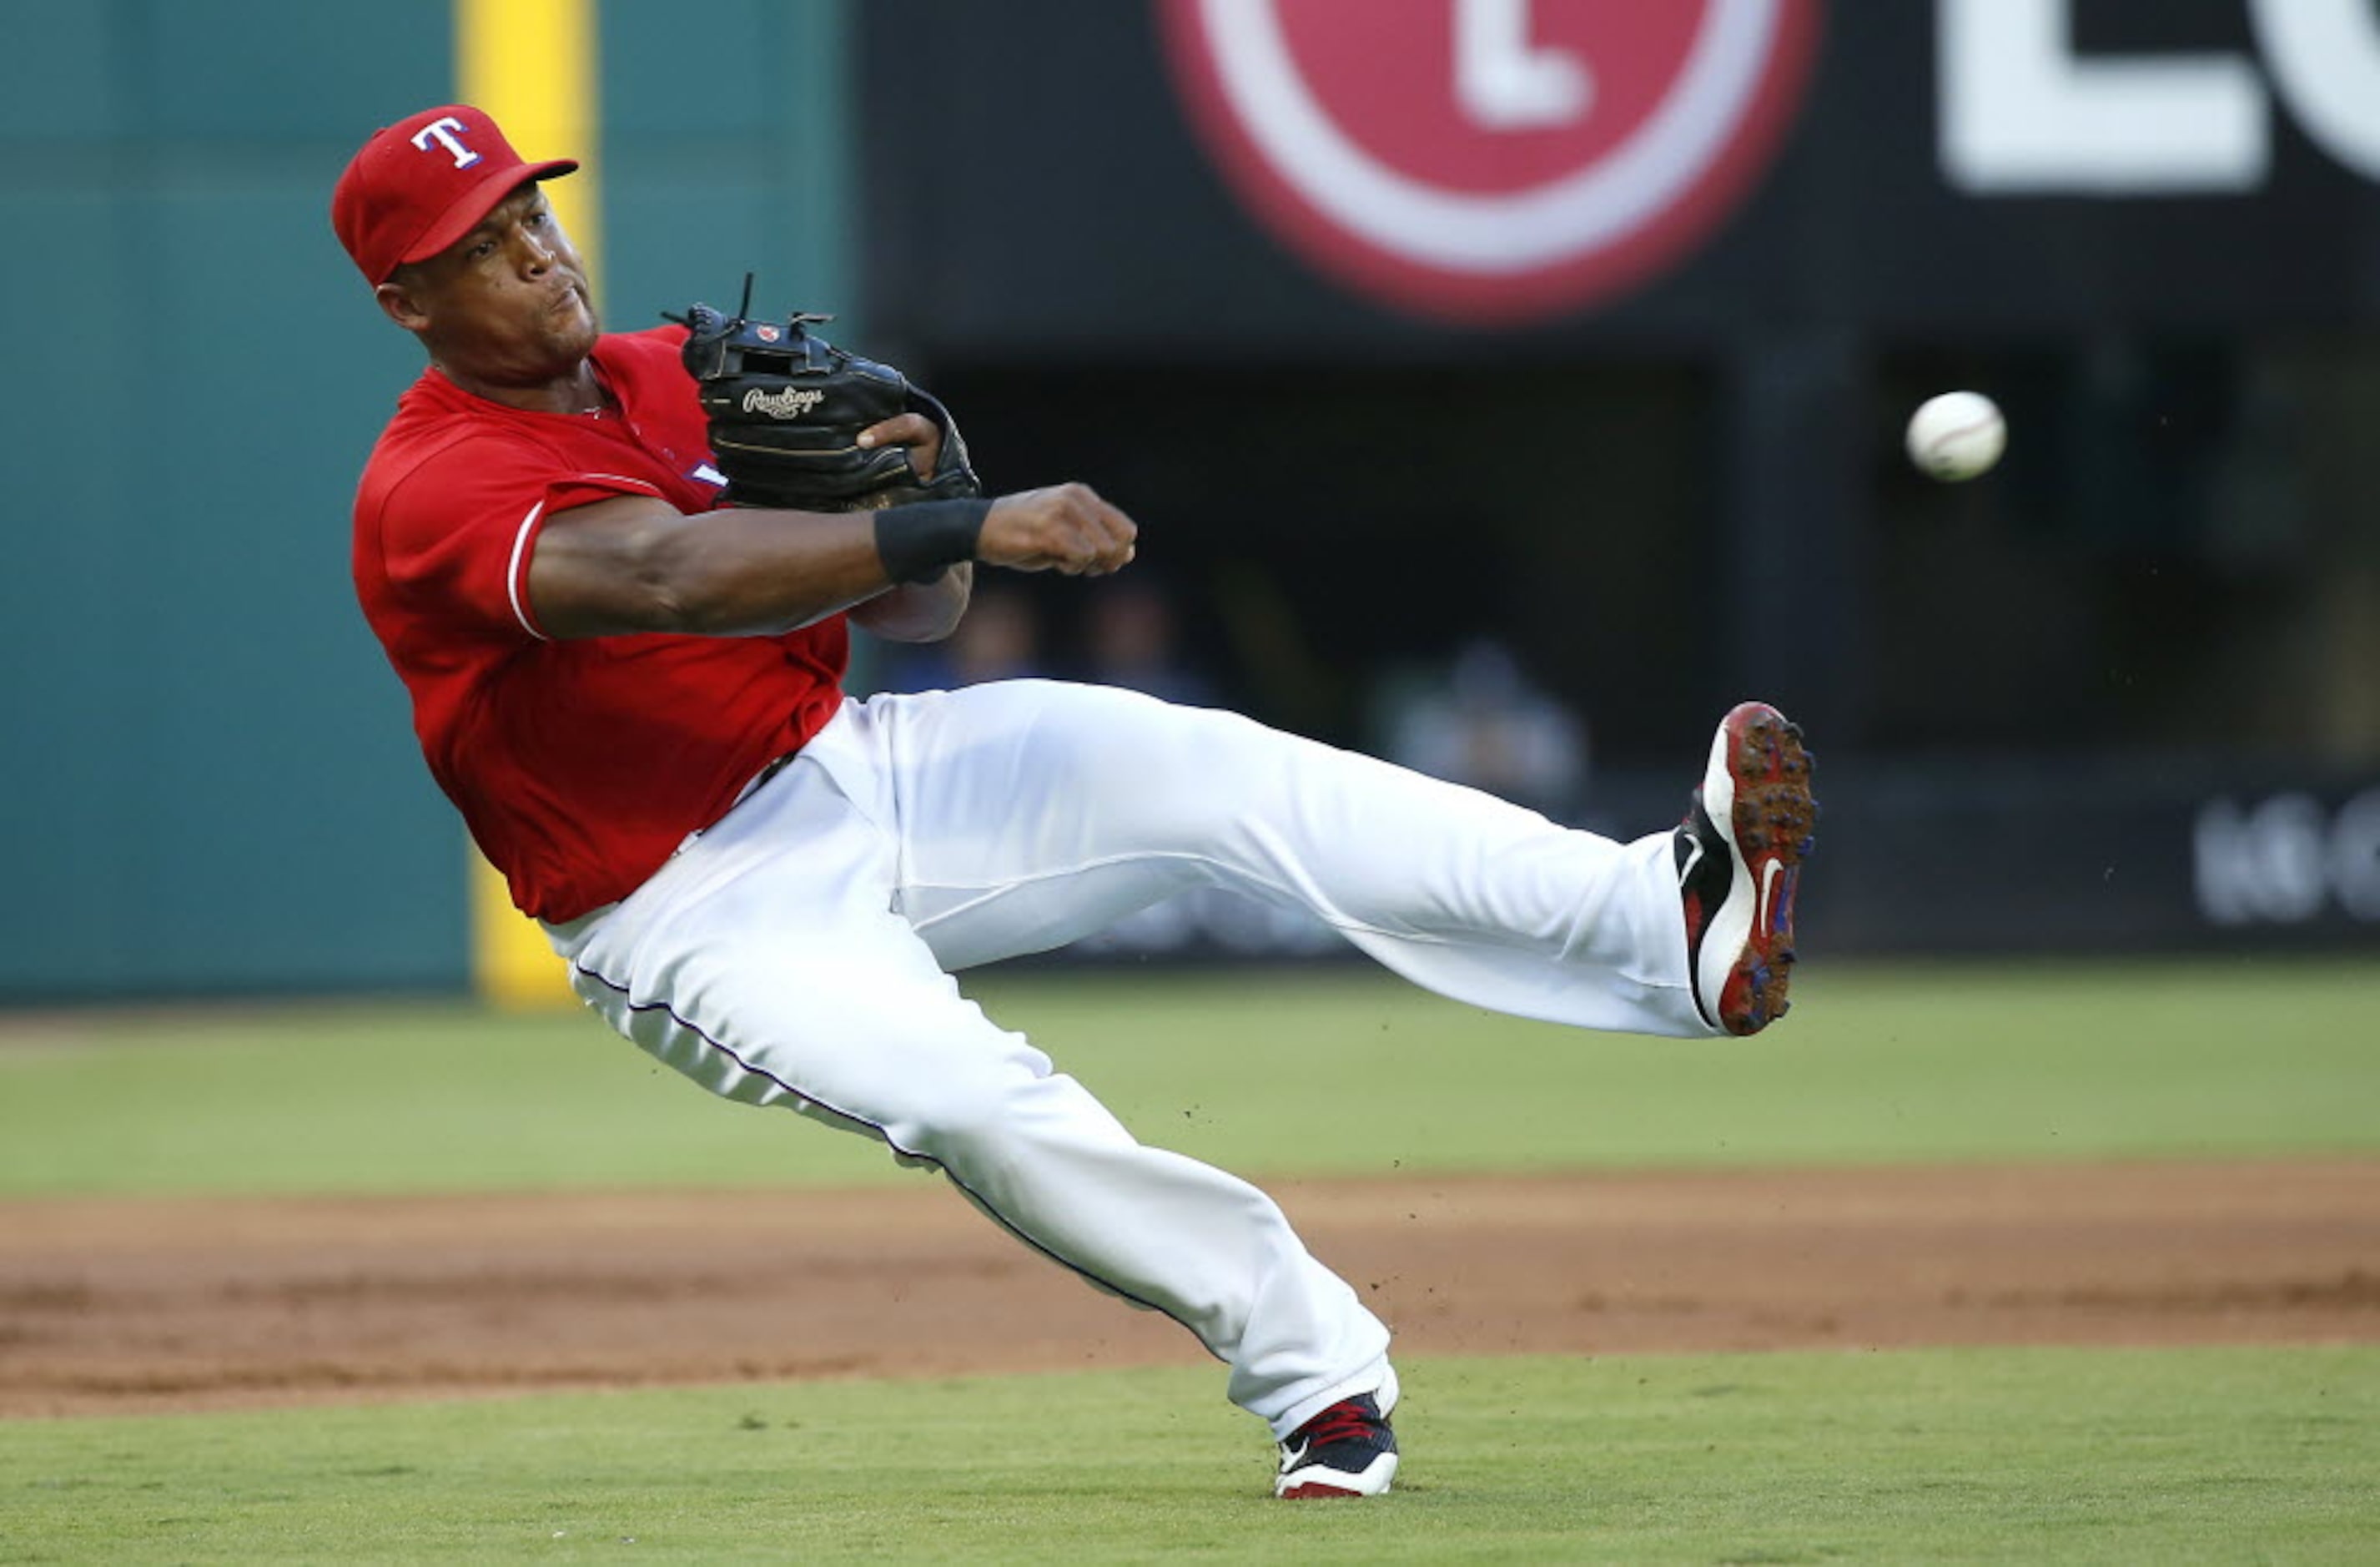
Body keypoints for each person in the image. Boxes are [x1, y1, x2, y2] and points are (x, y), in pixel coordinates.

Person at [333, 105, 1817, 1501]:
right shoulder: (433, 489)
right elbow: (661, 575)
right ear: (408, 301)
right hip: (687, 897)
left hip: (852, 760)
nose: (538, 253)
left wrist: (915, 494)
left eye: (532, 211)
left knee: (1212, 768)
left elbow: (920, 616)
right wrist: (968, 514)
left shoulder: (672, 371)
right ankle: (1320, 1380)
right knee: (964, 1097)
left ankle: (1659, 913)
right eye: (483, 244)